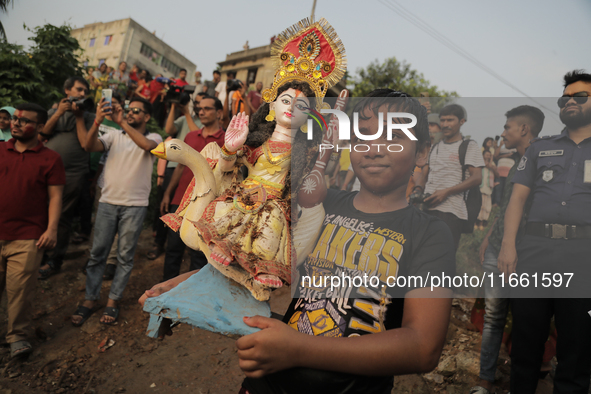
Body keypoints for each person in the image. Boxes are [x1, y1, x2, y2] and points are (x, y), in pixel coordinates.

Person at [498, 70, 591, 393]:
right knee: (526, 340)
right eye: (565, 97)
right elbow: (517, 200)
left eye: (580, 96)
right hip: (535, 251)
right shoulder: (541, 148)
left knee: (576, 348)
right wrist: (508, 245)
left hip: (584, 256)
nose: (570, 101)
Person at [469, 105, 544, 394]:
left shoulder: (545, 162)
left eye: (508, 127)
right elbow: (507, 206)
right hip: (497, 248)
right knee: (494, 316)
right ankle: (485, 379)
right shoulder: (515, 164)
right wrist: (489, 236)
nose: (503, 133)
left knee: (529, 320)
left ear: (524, 129)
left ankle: (523, 381)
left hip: (528, 252)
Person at [71, 97, 162, 326]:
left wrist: (122, 122)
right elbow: (88, 146)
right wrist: (97, 121)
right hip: (108, 202)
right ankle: (90, 299)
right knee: (97, 254)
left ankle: (113, 301)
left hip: (136, 205)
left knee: (124, 256)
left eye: (136, 111)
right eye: (128, 110)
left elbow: (146, 147)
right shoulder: (113, 136)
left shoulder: (154, 137)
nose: (130, 113)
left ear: (147, 117)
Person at [0, 103, 65, 358]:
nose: (15, 123)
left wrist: (51, 229)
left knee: (20, 292)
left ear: (39, 127)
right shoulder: (0, 150)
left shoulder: (51, 159)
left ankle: (17, 337)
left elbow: (56, 197)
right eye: (14, 119)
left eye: (23, 120)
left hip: (28, 239)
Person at [159, 96, 225, 280]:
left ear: (219, 112)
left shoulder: (228, 141)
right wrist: (168, 193)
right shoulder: (189, 136)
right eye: (199, 109)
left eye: (207, 108)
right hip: (181, 200)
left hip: (208, 207)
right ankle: (166, 289)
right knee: (173, 248)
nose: (201, 112)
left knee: (200, 254)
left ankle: (191, 293)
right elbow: (180, 167)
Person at [39, 77, 95, 279]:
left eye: (85, 91)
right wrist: (60, 113)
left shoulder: (88, 116)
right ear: (66, 91)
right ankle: (38, 254)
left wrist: (79, 117)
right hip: (46, 172)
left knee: (62, 217)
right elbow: (43, 133)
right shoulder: (55, 111)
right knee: (40, 213)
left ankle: (54, 260)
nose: (82, 94)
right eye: (79, 90)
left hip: (72, 173)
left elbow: (85, 143)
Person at [419, 104, 484, 250]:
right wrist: (417, 189)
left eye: (450, 120)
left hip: (451, 213)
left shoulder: (468, 146)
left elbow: (476, 178)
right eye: (442, 120)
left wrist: (446, 192)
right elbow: (425, 173)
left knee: (443, 257)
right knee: (423, 253)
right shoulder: (435, 146)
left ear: (462, 121)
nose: (445, 124)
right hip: (428, 209)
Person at [475, 150, 498, 230]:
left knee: (486, 206)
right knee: (478, 205)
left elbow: (497, 174)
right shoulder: (479, 162)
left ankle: (483, 223)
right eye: (487, 155)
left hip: (488, 188)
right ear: (483, 155)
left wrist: (491, 166)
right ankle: (476, 222)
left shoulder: (492, 164)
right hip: (479, 187)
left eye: (489, 155)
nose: (488, 156)